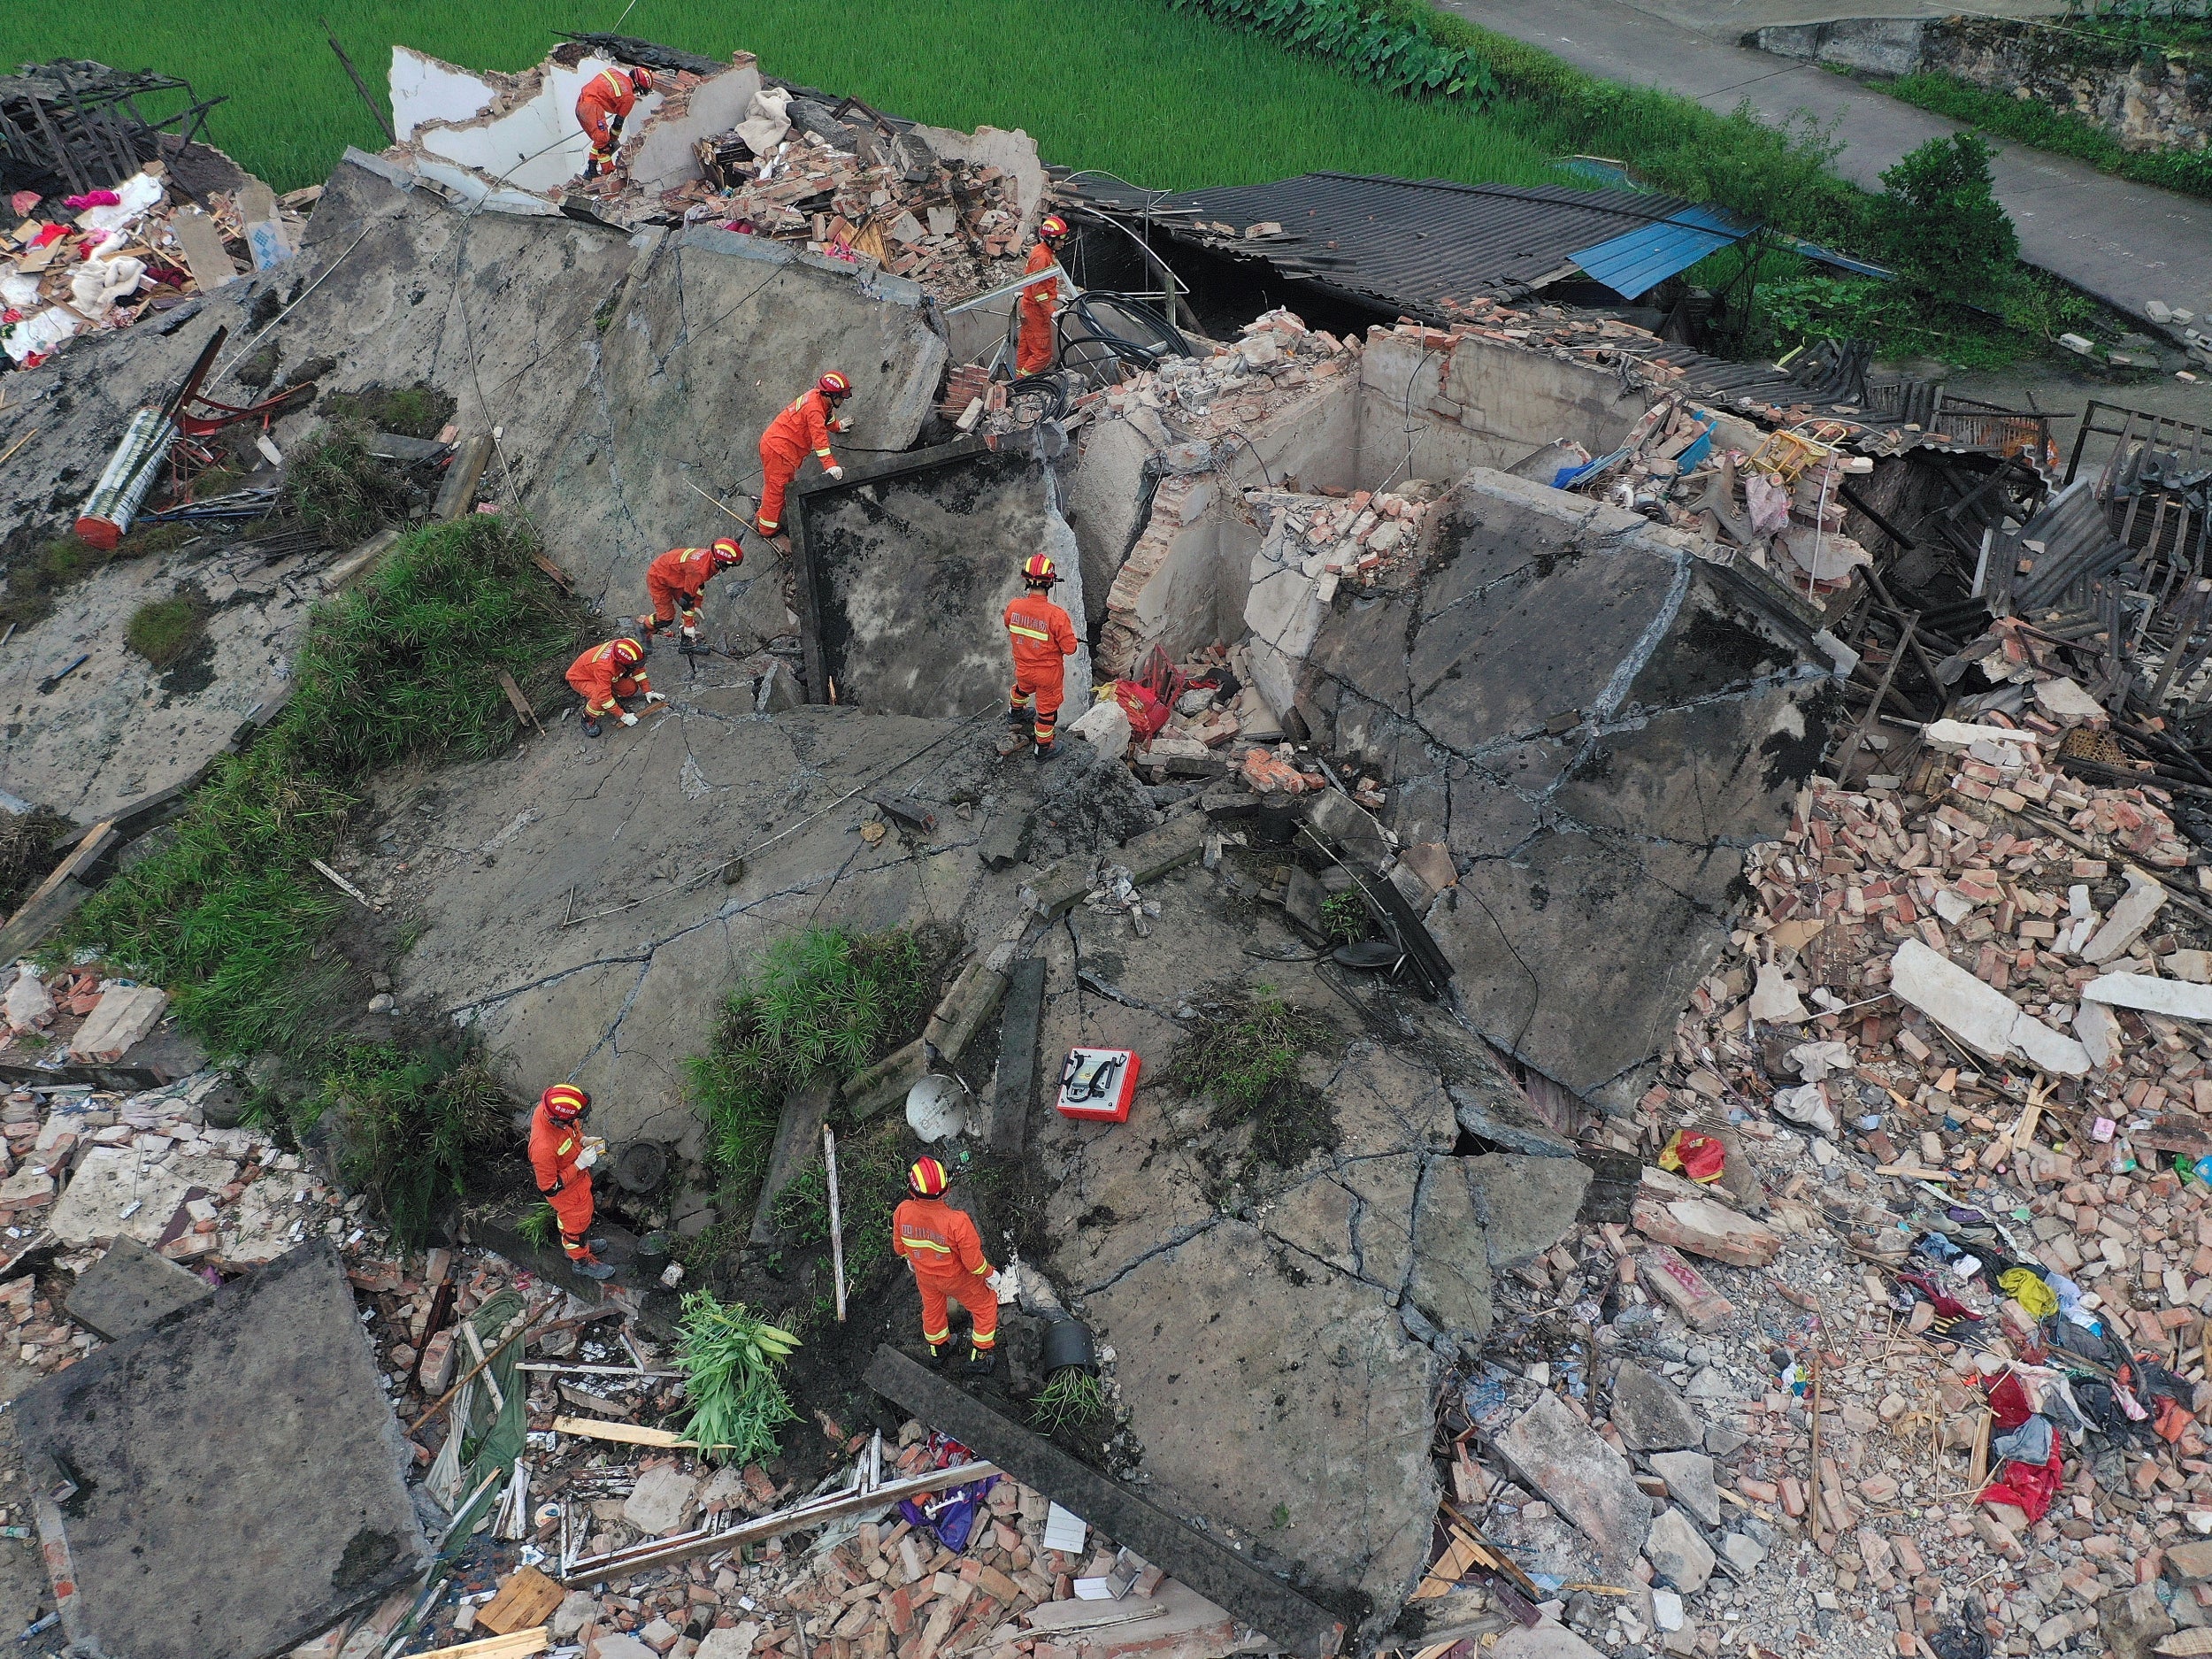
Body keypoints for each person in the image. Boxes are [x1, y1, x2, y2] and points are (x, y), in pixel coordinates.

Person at [891, 1156, 996, 1375]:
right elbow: (973, 1263)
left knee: (933, 1310)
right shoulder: (956, 1221)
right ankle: (980, 1357)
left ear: (912, 1191)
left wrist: (913, 1259)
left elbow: (900, 1248)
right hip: (956, 1279)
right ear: (946, 1190)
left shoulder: (902, 1211)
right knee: (985, 1305)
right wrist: (990, 1274)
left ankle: (939, 1349)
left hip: (925, 1277)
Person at [528, 1084, 615, 1280]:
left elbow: (571, 1131)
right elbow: (549, 1188)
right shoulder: (542, 1148)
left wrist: (583, 1140)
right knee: (576, 1227)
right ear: (560, 1118)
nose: (578, 1120)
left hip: (579, 1186)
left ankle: (577, 1245)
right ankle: (581, 1261)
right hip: (568, 1196)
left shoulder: (553, 1112)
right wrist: (579, 1164)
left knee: (575, 1226)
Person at [753, 372, 852, 542]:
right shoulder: (814, 408)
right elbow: (820, 441)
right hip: (779, 451)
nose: (843, 401)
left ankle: (765, 517)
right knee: (776, 491)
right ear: (830, 395)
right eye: (841, 397)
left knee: (781, 486)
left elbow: (826, 418)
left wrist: (837, 426)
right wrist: (830, 466)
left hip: (780, 448)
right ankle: (767, 528)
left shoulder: (819, 399)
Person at [1002, 553, 1078, 760]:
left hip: (1023, 667)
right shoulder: (1057, 615)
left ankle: (1015, 712)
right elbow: (1070, 648)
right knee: (1047, 712)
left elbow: (1010, 625)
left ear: (1026, 580)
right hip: (1048, 675)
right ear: (1050, 582)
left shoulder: (1014, 606)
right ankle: (1043, 749)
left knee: (1021, 689)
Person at [639, 537, 742, 644]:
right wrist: (689, 626)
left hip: (675, 574)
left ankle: (686, 633)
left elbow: (698, 585)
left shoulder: (709, 558)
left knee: (691, 610)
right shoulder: (699, 569)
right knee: (666, 618)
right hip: (659, 577)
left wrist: (696, 606)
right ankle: (644, 627)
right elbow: (686, 601)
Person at [566, 635, 663, 736]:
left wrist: (647, 691)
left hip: (599, 675)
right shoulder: (605, 667)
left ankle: (609, 694)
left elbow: (638, 669)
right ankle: (587, 718)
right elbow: (604, 697)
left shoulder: (624, 649)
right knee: (600, 699)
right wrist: (623, 716)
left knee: (630, 689)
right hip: (581, 679)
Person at [575, 64, 656, 182]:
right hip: (591, 107)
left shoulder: (613, 72)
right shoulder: (628, 98)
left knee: (600, 140)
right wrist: (613, 138)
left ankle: (592, 168)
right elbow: (618, 123)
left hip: (580, 104)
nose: (637, 93)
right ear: (638, 86)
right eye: (639, 91)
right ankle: (602, 170)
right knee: (603, 139)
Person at [1015, 215, 1070, 376]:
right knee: (1042, 354)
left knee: (1025, 347)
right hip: (1035, 312)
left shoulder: (1042, 251)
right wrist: (1052, 311)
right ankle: (1024, 382)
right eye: (1060, 239)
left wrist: (1056, 295)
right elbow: (1038, 292)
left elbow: (1042, 284)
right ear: (1050, 239)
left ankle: (1018, 378)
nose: (1063, 243)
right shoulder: (1042, 257)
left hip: (1029, 308)